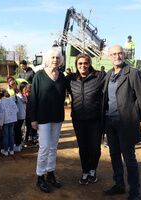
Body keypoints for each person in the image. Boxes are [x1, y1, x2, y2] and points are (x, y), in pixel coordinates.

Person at [102, 45, 141, 200]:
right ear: (109, 56)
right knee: (114, 155)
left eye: (120, 53)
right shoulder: (108, 74)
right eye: (114, 54)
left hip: (126, 124)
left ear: (124, 55)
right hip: (110, 123)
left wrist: (133, 116)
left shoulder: (133, 73)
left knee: (129, 159)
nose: (117, 56)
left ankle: (134, 193)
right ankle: (119, 185)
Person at [31, 47, 67, 193]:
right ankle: (40, 176)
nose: (55, 60)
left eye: (58, 58)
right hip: (43, 118)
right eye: (52, 57)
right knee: (44, 147)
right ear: (48, 59)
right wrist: (33, 119)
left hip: (57, 117)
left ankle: (50, 173)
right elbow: (33, 98)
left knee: (53, 147)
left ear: (61, 60)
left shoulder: (62, 76)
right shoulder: (39, 76)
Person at [67, 53, 106, 185]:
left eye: (85, 63)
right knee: (83, 147)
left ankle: (92, 171)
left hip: (95, 120)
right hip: (78, 120)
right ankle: (85, 171)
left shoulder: (99, 77)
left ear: (89, 64)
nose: (83, 66)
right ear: (76, 65)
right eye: (80, 63)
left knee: (95, 148)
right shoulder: (71, 79)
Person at [0, 89, 18, 156]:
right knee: (11, 135)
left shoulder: (1, 102)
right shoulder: (11, 100)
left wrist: (0, 124)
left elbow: (1, 115)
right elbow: (16, 110)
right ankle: (11, 150)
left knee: (6, 136)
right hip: (12, 120)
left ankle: (6, 150)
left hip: (6, 121)